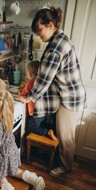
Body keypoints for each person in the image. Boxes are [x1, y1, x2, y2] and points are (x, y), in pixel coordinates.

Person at [24, 4, 86, 177]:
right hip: (68, 96)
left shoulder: (57, 46)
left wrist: (30, 97)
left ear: (50, 25)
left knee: (66, 136)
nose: (38, 34)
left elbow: (44, 77)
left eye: (39, 29)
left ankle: (65, 167)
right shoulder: (58, 39)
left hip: (70, 98)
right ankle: (62, 162)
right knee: (62, 133)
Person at [16, 60, 58, 141]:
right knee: (41, 124)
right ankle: (52, 131)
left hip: (34, 113)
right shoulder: (42, 82)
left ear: (30, 74)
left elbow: (22, 95)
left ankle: (47, 132)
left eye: (27, 74)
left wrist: (19, 92)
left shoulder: (30, 82)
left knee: (32, 127)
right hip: (43, 111)